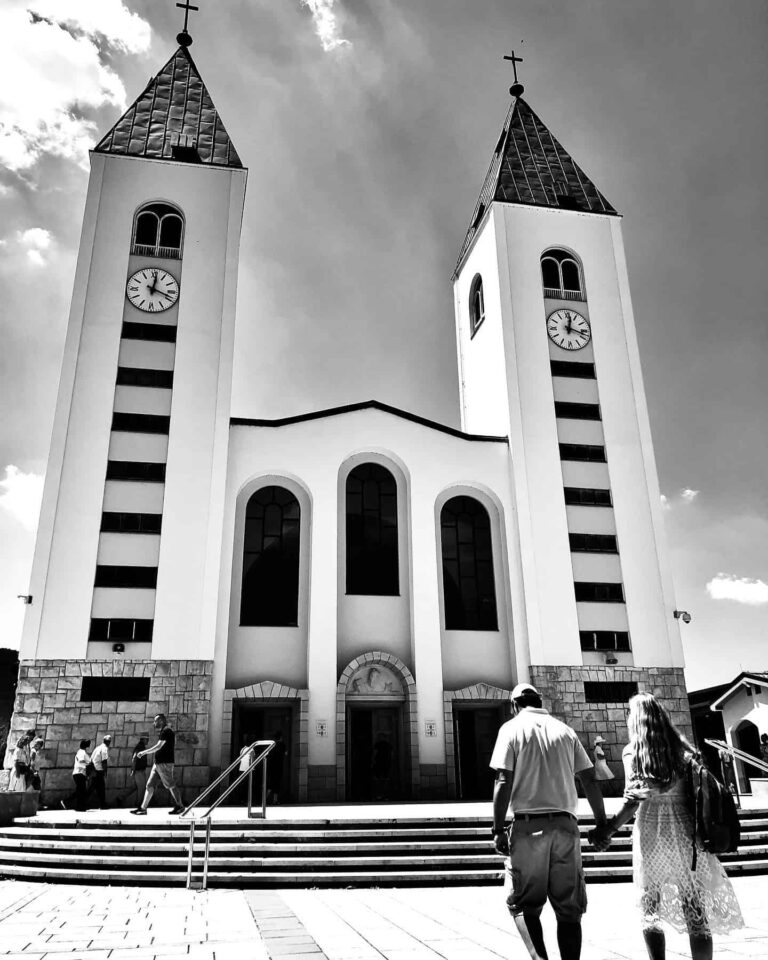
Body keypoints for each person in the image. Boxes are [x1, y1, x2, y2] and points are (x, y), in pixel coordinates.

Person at [590, 693, 743, 960]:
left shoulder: (633, 751)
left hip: (651, 831)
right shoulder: (683, 750)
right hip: (686, 831)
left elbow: (632, 801)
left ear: (636, 719)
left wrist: (608, 829)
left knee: (651, 906)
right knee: (694, 906)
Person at [490, 682, 608, 960]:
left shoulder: (511, 729)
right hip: (567, 826)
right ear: (539, 700)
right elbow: (589, 779)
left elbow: (503, 780)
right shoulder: (565, 731)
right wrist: (602, 822)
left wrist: (497, 829)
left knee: (523, 904)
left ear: (514, 705)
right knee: (569, 909)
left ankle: (540, 958)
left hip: (529, 827)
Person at [130, 714, 184, 815]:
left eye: (155, 721)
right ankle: (143, 808)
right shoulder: (165, 731)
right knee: (149, 786)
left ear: (161, 721)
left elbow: (158, 746)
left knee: (170, 785)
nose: (154, 723)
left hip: (164, 763)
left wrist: (143, 752)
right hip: (158, 764)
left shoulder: (166, 731)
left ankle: (180, 806)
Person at [89, 735, 111, 809]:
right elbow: (104, 761)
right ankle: (102, 804)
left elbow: (91, 759)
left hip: (94, 770)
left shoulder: (97, 748)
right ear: (108, 742)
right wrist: (105, 772)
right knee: (98, 788)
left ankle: (102, 804)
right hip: (99, 771)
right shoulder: (104, 749)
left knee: (96, 788)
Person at [267, 731, 287, 804]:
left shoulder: (272, 745)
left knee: (270, 783)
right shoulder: (282, 745)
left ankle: (265, 798)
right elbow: (285, 753)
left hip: (271, 767)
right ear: (281, 737)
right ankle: (275, 800)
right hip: (279, 766)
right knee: (277, 784)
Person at [72, 739, 92, 812]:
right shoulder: (82, 752)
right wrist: (88, 764)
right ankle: (80, 806)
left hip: (80, 773)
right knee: (81, 790)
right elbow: (81, 761)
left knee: (80, 790)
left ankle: (80, 805)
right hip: (79, 773)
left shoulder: (82, 752)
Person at [129, 737, 148, 807]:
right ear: (143, 739)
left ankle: (120, 797)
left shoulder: (140, 746)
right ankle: (139, 804)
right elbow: (134, 758)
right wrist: (133, 770)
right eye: (147, 739)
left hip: (138, 770)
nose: (148, 741)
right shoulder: (140, 747)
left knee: (135, 787)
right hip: (139, 771)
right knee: (142, 788)